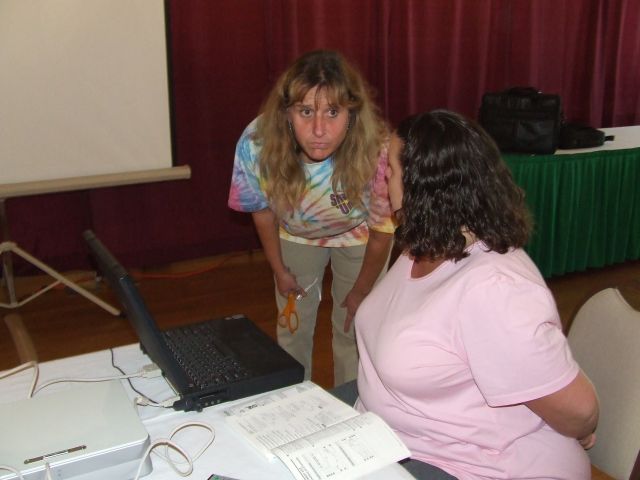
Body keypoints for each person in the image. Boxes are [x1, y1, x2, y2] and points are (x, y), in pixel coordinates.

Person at [349, 110, 599, 479]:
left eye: (392, 171)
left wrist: (579, 428)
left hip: (476, 467)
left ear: (424, 188)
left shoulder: (493, 289)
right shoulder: (424, 245)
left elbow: (581, 413)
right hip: (395, 437)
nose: (384, 179)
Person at [228, 50, 394, 385]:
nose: (319, 130)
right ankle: (295, 402)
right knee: (292, 328)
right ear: (286, 113)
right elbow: (262, 211)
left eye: (333, 112)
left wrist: (361, 291)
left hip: (361, 234)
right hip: (296, 234)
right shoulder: (257, 143)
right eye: (305, 111)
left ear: (352, 114)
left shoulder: (378, 150)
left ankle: (350, 403)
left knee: (354, 328)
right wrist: (279, 271)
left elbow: (382, 232)